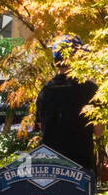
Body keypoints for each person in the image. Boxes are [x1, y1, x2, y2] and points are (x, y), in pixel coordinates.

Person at [35, 35, 101, 174]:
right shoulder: (90, 90)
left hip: (50, 167)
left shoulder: (45, 91)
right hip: (81, 166)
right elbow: (98, 131)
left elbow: (41, 127)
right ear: (77, 57)